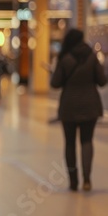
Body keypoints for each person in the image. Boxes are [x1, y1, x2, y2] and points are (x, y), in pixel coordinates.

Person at [50, 28, 106, 192]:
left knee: (70, 143)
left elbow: (55, 83)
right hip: (90, 106)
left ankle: (73, 181)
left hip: (69, 106)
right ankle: (87, 179)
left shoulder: (64, 58)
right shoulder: (92, 56)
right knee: (87, 141)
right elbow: (102, 81)